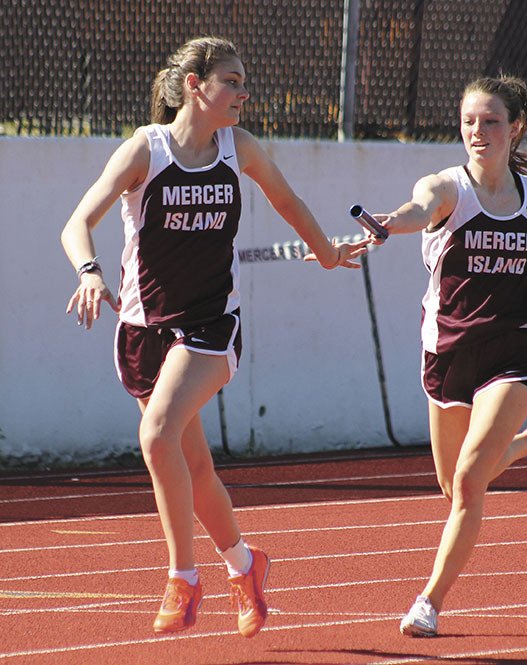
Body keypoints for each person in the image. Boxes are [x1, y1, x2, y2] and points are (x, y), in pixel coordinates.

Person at [61, 36, 369, 638]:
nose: (243, 93)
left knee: (156, 437)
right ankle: (246, 565)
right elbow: (78, 222)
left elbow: (288, 201)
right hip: (144, 329)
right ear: (195, 86)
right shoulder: (144, 151)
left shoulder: (239, 147)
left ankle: (183, 578)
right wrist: (90, 272)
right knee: (194, 468)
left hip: (209, 326)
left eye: (243, 82)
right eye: (232, 81)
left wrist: (328, 253)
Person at [367, 75, 527, 637]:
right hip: (448, 352)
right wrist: (387, 225)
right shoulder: (448, 188)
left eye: (491, 120)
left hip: (512, 351)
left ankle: (429, 601)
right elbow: (415, 208)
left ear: (516, 126)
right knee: (452, 486)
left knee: (471, 482)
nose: (478, 131)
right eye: (470, 120)